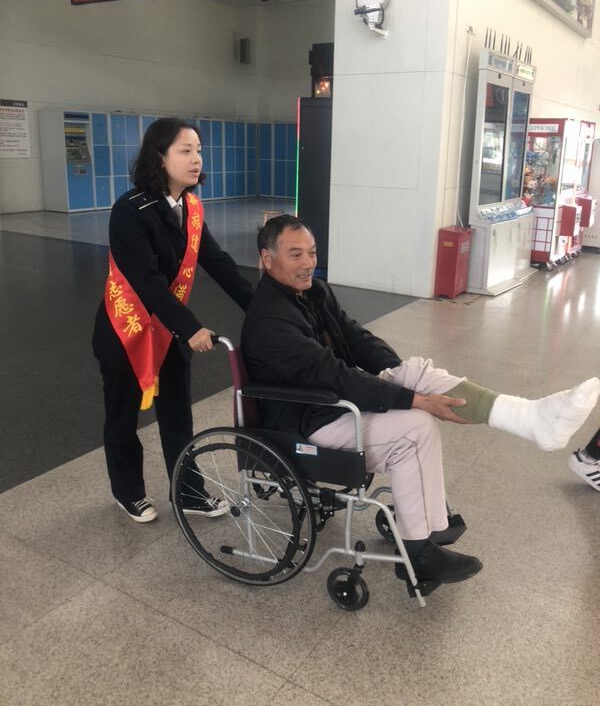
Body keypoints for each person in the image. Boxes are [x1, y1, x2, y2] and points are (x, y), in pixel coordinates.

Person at [241, 215, 600, 587]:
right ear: (267, 259)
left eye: (312, 252)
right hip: (308, 422)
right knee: (415, 427)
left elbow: (356, 338)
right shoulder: (271, 320)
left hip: (332, 402)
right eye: (295, 254)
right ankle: (418, 551)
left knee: (415, 374)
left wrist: (399, 372)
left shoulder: (314, 292)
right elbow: (333, 375)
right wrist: (412, 398)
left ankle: (528, 419)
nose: (308, 263)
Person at [93, 117, 253, 523]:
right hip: (126, 330)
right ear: (160, 157)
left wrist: (260, 307)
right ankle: (128, 491)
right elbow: (145, 280)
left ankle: (189, 492)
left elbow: (218, 262)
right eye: (185, 151)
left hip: (168, 329)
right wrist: (191, 327)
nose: (196, 159)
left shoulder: (191, 208)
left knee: (178, 415)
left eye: (198, 150)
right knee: (123, 415)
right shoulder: (130, 210)